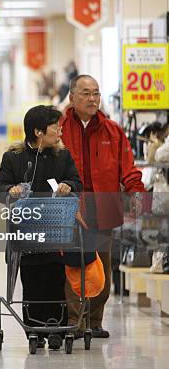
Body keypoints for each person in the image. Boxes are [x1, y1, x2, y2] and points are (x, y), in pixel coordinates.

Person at [60, 74, 145, 338]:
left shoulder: (112, 130)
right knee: (76, 267)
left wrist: (138, 194)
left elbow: (128, 169)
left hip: (104, 208)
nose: (92, 98)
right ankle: (76, 322)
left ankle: (95, 321)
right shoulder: (59, 128)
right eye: (86, 93)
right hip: (70, 210)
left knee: (102, 270)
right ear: (72, 97)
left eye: (96, 93)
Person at [0, 105, 83, 349]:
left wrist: (68, 185)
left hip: (56, 230)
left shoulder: (61, 156)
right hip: (26, 233)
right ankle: (33, 328)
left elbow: (76, 181)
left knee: (55, 278)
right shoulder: (13, 157)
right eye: (55, 126)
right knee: (32, 279)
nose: (60, 130)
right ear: (38, 131)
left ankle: (56, 327)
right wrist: (9, 191)